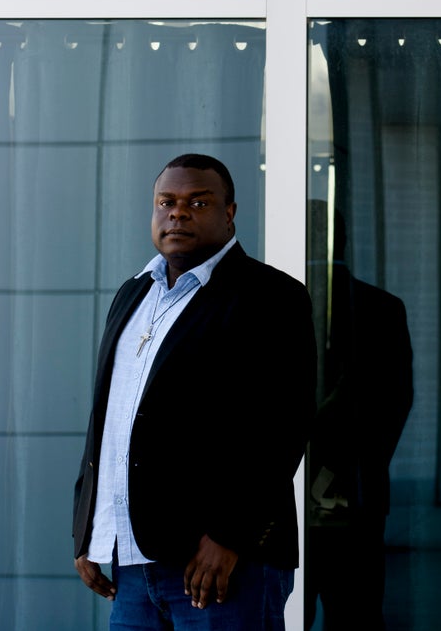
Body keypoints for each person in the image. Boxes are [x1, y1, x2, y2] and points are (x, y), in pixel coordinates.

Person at [72, 153, 316, 630]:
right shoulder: (132, 294)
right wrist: (89, 529)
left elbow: (284, 426)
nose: (178, 213)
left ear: (229, 214)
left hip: (224, 566)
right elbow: (110, 420)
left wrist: (229, 535)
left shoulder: (270, 297)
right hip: (131, 564)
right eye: (167, 202)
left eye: (198, 202)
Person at [304, 207, 413, 630]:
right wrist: (360, 467)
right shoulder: (383, 307)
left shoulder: (269, 305)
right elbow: (396, 402)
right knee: (355, 614)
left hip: (301, 500)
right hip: (354, 492)